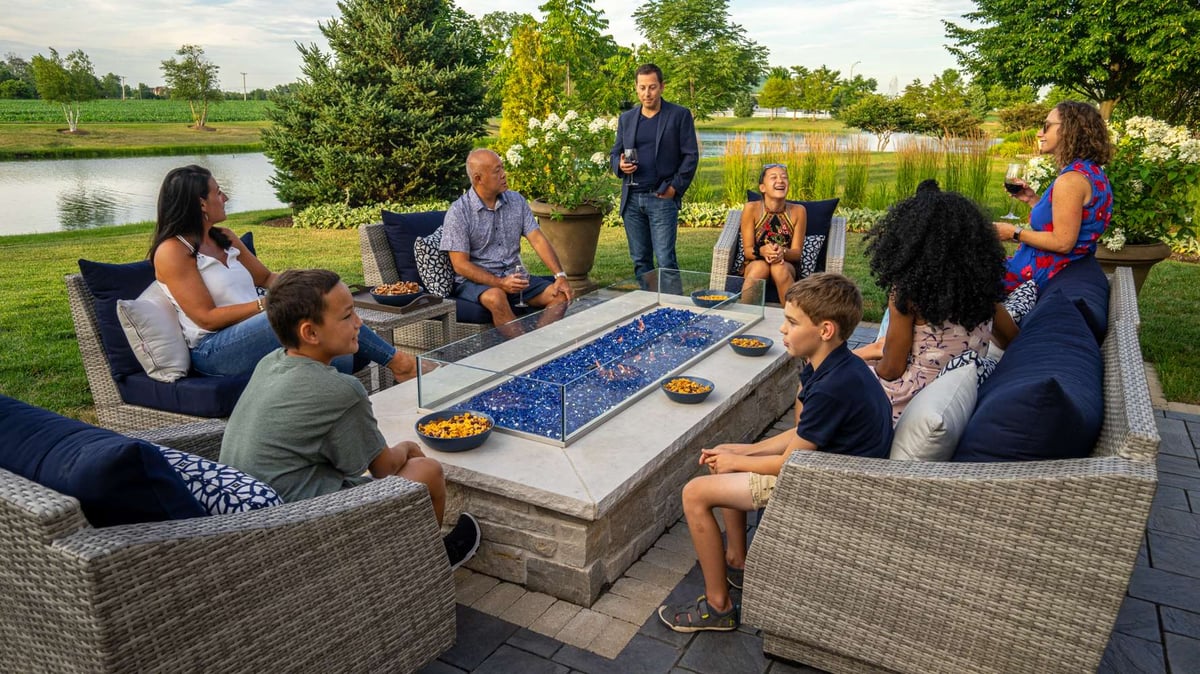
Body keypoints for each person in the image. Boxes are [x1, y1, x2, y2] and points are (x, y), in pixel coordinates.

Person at [657, 273, 894, 633]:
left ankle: (718, 608)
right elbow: (805, 434)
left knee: (694, 494)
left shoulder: (832, 386)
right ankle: (737, 561)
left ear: (825, 330)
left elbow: (792, 464)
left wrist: (738, 461)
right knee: (727, 463)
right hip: (828, 465)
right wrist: (744, 450)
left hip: (829, 485)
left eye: (792, 322)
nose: (782, 329)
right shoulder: (837, 366)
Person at [219, 269, 481, 569]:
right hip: (301, 526)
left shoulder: (270, 362)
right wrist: (407, 446)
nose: (359, 323)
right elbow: (383, 468)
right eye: (347, 316)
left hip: (249, 523)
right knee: (427, 470)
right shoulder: (341, 389)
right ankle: (425, 566)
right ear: (310, 333)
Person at [150, 165, 419, 382]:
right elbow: (206, 319)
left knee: (330, 319)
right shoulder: (172, 251)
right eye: (219, 193)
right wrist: (266, 304)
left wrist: (312, 288)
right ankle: (401, 364)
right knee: (282, 318)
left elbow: (266, 279)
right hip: (215, 349)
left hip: (253, 329)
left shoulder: (224, 237)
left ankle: (370, 388)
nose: (225, 198)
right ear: (201, 205)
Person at [854, 180, 1012, 423]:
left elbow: (891, 370)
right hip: (961, 396)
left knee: (816, 379)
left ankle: (804, 452)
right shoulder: (983, 290)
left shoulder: (909, 294)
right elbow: (1011, 338)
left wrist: (868, 368)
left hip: (910, 402)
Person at [441, 149, 572, 327]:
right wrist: (500, 283)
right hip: (476, 282)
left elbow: (538, 239)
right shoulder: (458, 212)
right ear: (478, 179)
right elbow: (460, 265)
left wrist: (560, 275)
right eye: (497, 171)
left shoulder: (516, 201)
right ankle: (522, 349)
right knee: (496, 297)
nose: (504, 175)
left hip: (514, 276)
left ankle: (538, 346)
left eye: (502, 168)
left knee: (560, 297)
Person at [995, 101, 1114, 292]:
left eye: (1046, 126)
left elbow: (1063, 242)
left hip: (1036, 277)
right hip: (1055, 268)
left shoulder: (1071, 180)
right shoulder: (1089, 172)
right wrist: (1033, 200)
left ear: (1069, 130)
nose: (1039, 133)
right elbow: (1070, 223)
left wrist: (1013, 233)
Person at [610, 63, 699, 290]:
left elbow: (690, 156)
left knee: (666, 260)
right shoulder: (627, 119)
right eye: (642, 88)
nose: (646, 93)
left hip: (661, 197)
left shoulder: (678, 115)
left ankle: (674, 311)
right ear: (636, 88)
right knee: (640, 260)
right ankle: (649, 308)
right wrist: (619, 165)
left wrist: (674, 189)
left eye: (652, 87)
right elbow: (615, 152)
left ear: (662, 87)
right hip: (631, 199)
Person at [737, 163, 807, 302]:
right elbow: (748, 251)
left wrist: (782, 252)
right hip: (755, 260)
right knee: (760, 268)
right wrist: (762, 251)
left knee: (778, 268)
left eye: (784, 177)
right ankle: (746, 316)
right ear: (762, 187)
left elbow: (797, 253)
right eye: (773, 177)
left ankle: (793, 319)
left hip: (786, 263)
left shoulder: (799, 211)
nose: (780, 181)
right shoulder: (751, 209)